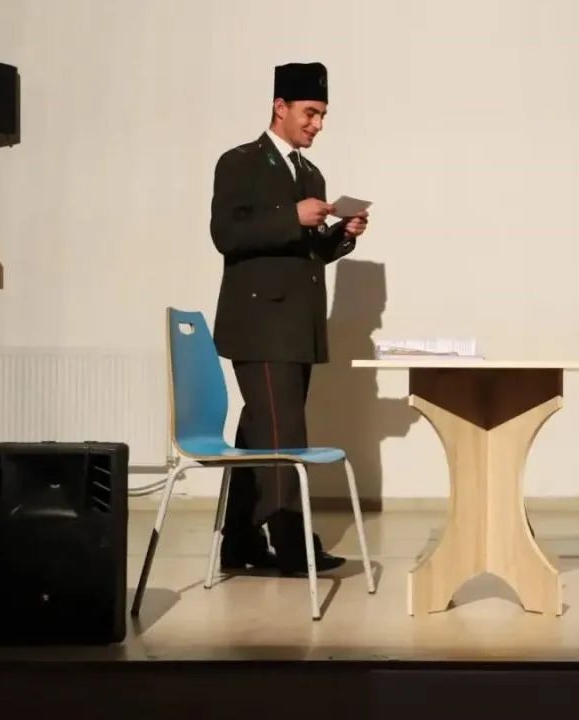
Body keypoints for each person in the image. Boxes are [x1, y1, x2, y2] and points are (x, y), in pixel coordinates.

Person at [209, 61, 370, 575]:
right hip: (259, 326)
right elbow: (226, 235)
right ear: (280, 107)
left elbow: (308, 253)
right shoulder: (239, 162)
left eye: (322, 116)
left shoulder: (310, 173)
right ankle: (293, 544)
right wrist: (291, 216)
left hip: (297, 327)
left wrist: (341, 235)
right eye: (310, 113)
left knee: (262, 434)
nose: (317, 124)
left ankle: (238, 542)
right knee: (283, 437)